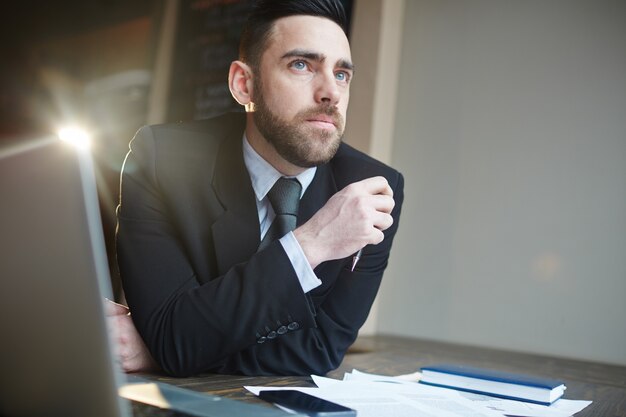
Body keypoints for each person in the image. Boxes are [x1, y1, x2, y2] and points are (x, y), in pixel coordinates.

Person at [110, 0, 404, 377]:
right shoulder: (160, 161)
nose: (331, 92)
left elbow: (320, 353)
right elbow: (173, 334)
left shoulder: (373, 189)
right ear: (244, 84)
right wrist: (311, 243)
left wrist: (166, 351)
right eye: (302, 65)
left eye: (342, 74)